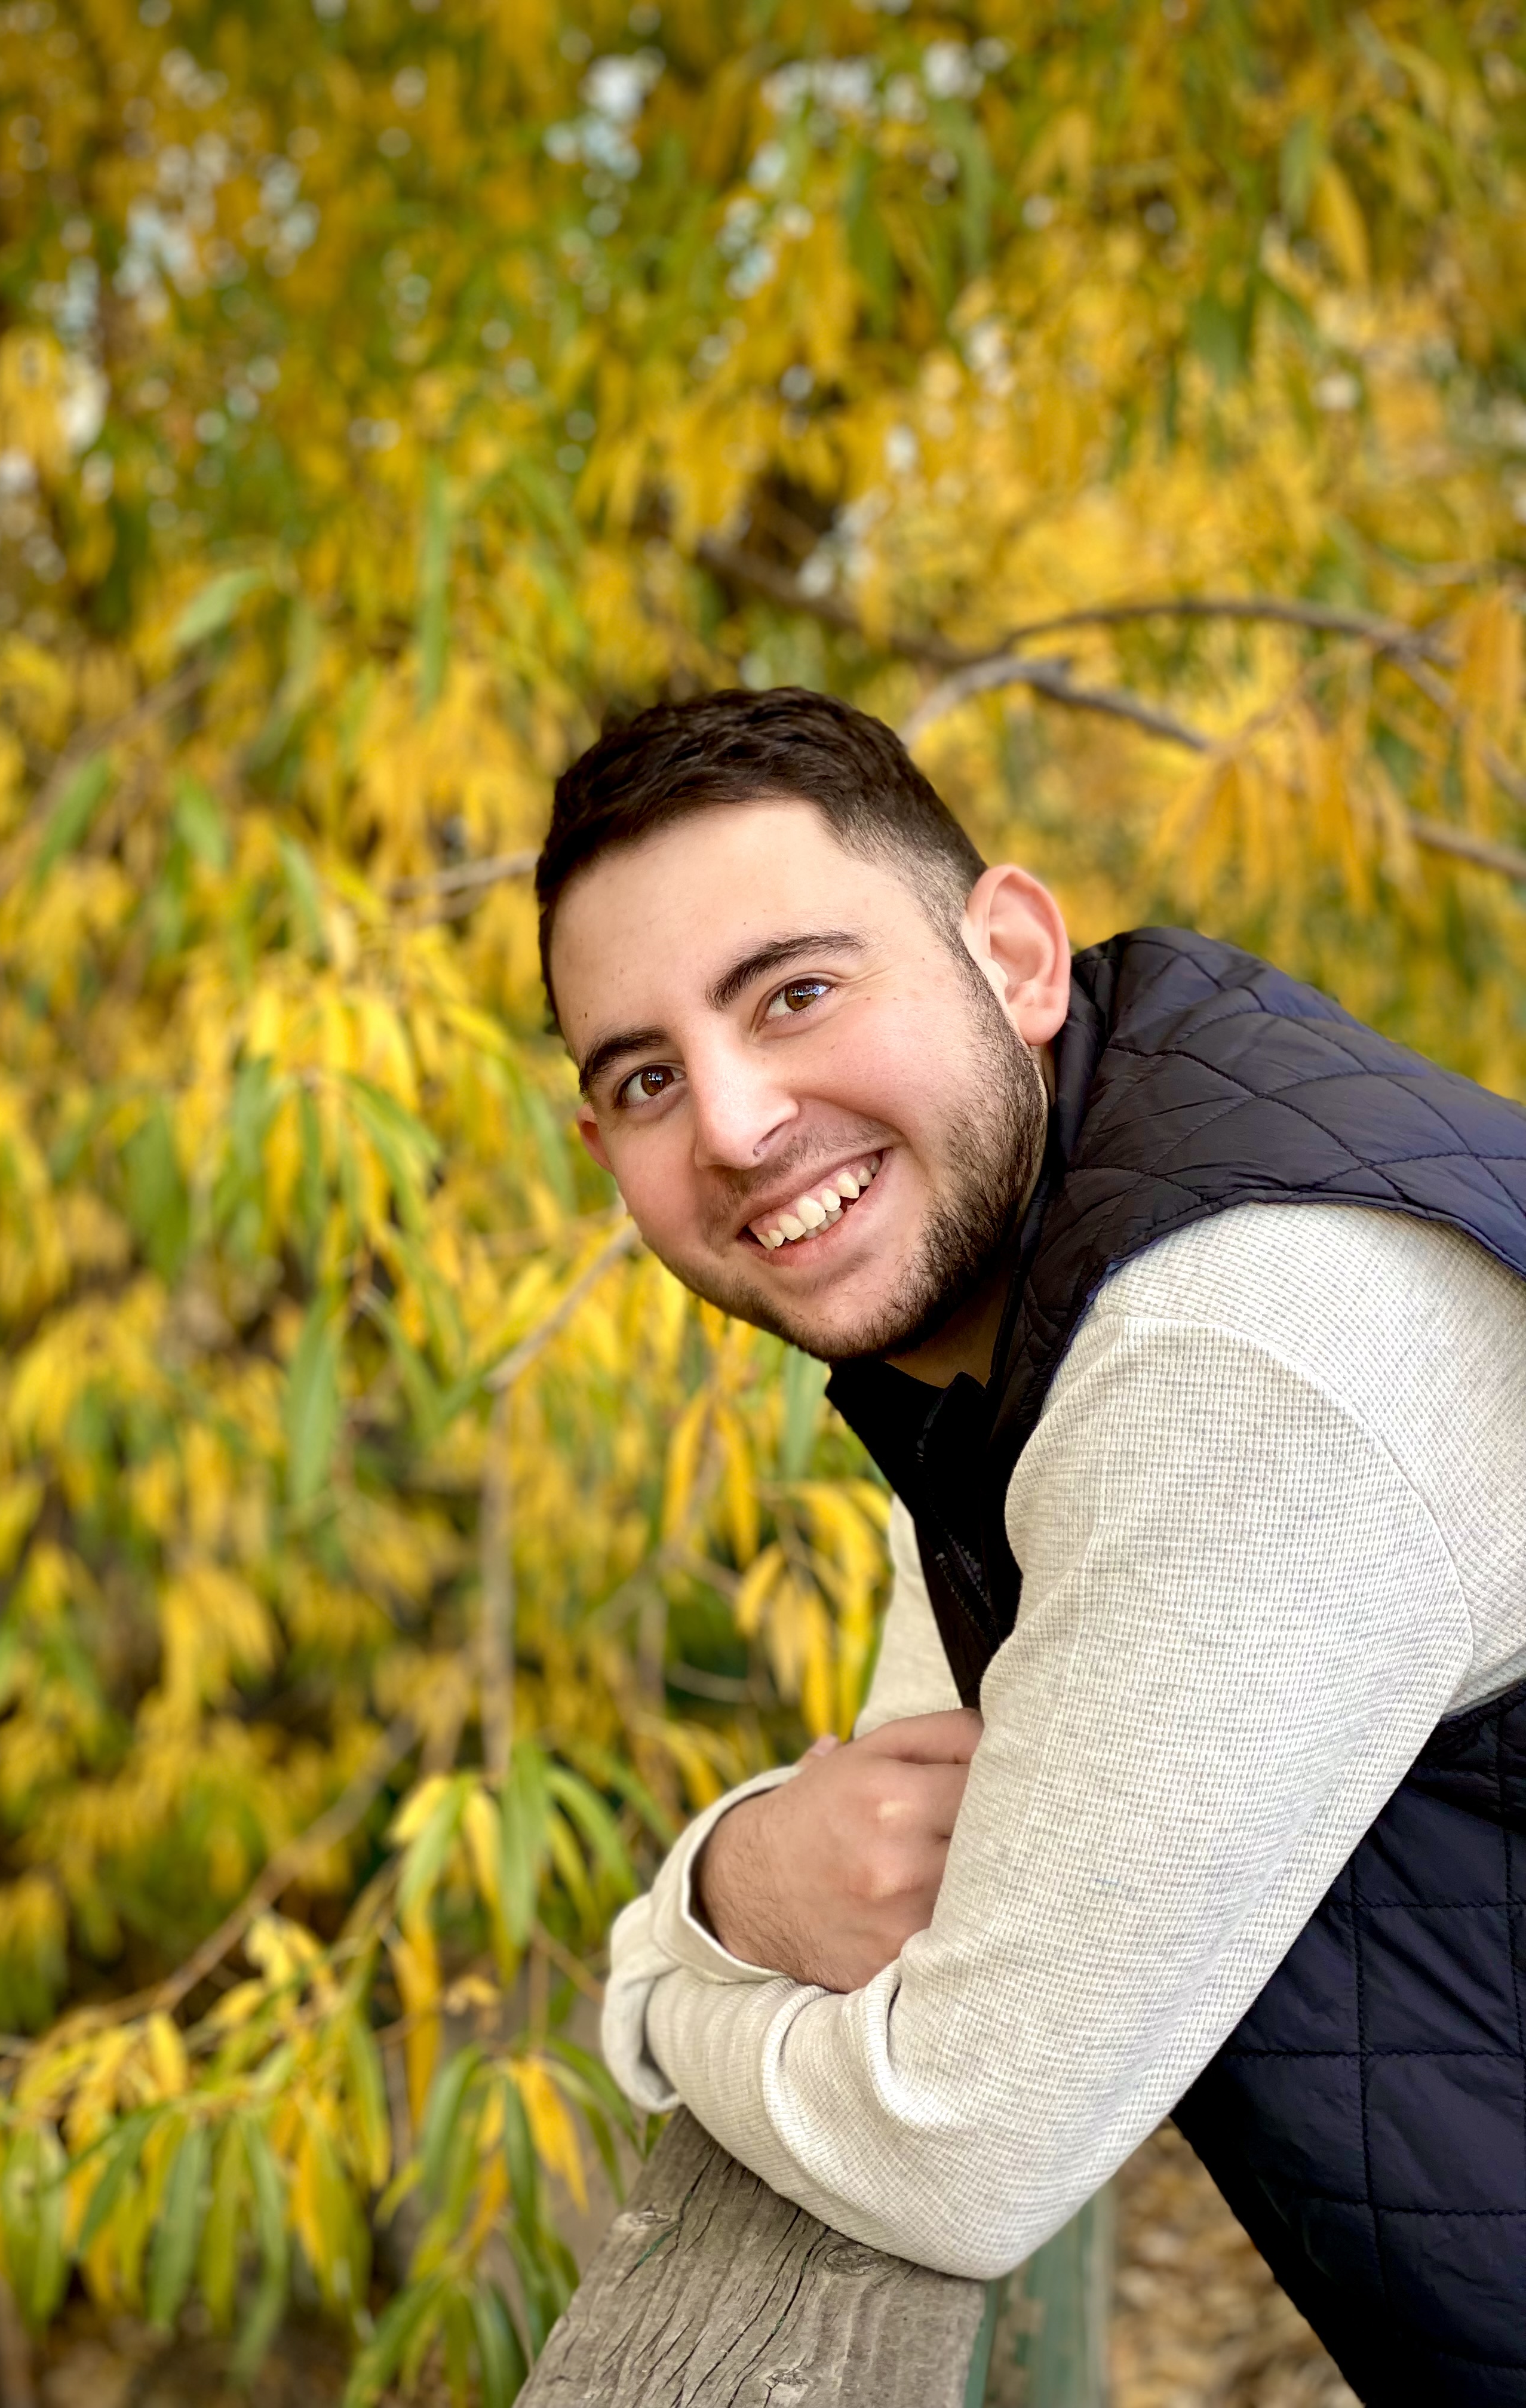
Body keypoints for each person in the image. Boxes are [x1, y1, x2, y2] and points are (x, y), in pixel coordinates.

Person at [536, 686, 1526, 2408]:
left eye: (796, 992)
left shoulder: (1227, 1343)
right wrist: (753, 1874)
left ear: (1012, 955)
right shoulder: (1023, 1289)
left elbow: (962, 2143)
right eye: (644, 1076)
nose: (735, 1124)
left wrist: (660, 1954)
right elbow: (935, 1824)